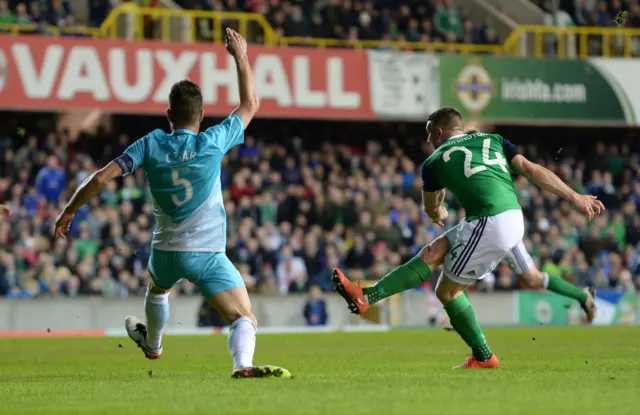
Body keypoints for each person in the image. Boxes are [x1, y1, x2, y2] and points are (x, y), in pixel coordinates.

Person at [54, 28, 291, 379]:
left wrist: (70, 210)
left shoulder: (150, 144)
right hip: (208, 254)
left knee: (157, 288)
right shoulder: (213, 141)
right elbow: (250, 104)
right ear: (202, 114)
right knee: (243, 317)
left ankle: (153, 345)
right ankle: (242, 365)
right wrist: (240, 56)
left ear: (169, 114)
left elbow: (101, 177)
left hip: (164, 252)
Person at [332, 107, 603, 369]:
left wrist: (438, 211)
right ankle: (366, 295)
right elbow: (532, 170)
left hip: (490, 223)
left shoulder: (434, 162)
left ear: (439, 132)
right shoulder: (495, 140)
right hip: (510, 217)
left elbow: (430, 208)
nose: (428, 141)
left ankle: (485, 356)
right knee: (434, 253)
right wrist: (575, 197)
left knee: (447, 291)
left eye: (429, 135)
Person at [439, 130, 598, 332]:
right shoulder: (484, 161)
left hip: (496, 225)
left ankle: (459, 315)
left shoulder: (478, 161)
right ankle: (583, 296)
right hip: (495, 224)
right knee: (531, 277)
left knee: (458, 259)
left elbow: (527, 170)